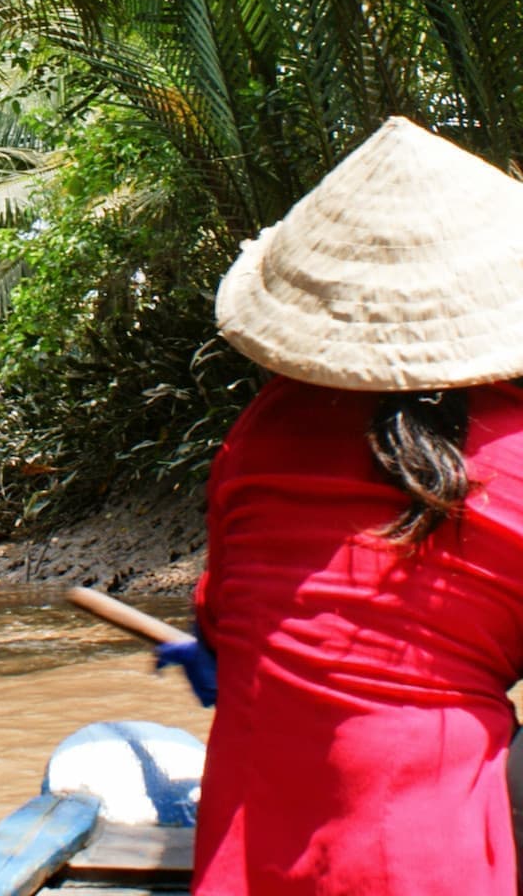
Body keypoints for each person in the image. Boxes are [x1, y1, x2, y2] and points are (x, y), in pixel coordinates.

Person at [161, 117, 523, 895]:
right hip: (434, 865)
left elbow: (225, 620)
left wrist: (220, 651)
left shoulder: (258, 435)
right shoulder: (514, 451)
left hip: (247, 867)